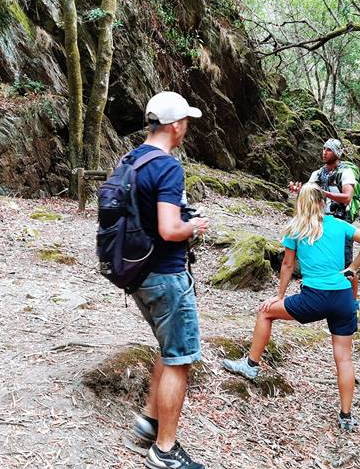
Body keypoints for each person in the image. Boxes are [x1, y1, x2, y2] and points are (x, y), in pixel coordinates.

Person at [221, 183, 360, 431]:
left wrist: (279, 296)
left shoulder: (296, 228)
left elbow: (287, 265)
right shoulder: (340, 225)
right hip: (343, 298)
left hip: (313, 299)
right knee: (344, 359)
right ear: (323, 203)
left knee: (265, 312)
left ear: (300, 203)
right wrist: (352, 268)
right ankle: (346, 416)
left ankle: (250, 366)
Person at [125, 92, 209, 469]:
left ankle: (149, 421)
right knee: (180, 359)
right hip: (166, 275)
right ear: (175, 126)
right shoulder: (168, 167)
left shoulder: (130, 160)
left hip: (137, 273)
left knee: (167, 346)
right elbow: (169, 229)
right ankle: (164, 450)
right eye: (186, 122)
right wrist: (195, 225)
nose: (186, 128)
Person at [289, 138, 358, 296]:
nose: (324, 152)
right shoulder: (317, 174)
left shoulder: (345, 172)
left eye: (329, 150)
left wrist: (323, 193)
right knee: (321, 257)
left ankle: (353, 300)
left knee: (346, 261)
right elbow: (309, 194)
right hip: (318, 221)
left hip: (340, 221)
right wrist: (299, 191)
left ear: (337, 153)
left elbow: (347, 197)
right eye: (324, 149)